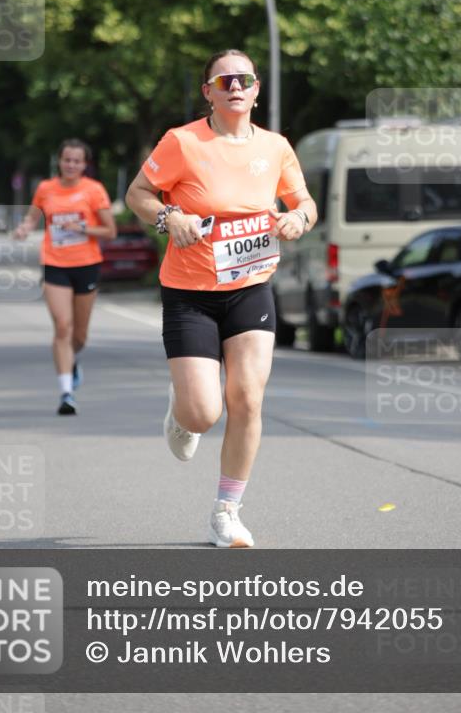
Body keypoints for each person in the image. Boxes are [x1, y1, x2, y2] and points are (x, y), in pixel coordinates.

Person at [125, 49, 317, 548]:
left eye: (245, 79)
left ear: (256, 90)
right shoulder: (182, 142)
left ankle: (226, 510)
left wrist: (298, 220)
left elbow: (304, 202)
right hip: (190, 292)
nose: (236, 86)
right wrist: (171, 218)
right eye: (224, 79)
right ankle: (182, 408)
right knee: (203, 414)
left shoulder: (275, 147)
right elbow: (138, 193)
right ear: (207, 91)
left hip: (251, 287)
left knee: (248, 398)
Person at [14, 139, 116, 415]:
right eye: (67, 160)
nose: (71, 165)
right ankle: (66, 393)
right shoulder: (45, 189)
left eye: (77, 161)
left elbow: (110, 231)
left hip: (86, 265)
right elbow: (32, 218)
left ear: (85, 164)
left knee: (79, 335)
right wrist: (23, 229)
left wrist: (82, 228)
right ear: (59, 161)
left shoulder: (94, 191)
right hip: (54, 264)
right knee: (62, 326)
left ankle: (71, 360)